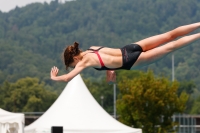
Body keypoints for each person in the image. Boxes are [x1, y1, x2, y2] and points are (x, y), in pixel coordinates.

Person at [50, 22, 200, 82]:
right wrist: (110, 70)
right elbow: (106, 60)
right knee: (170, 35)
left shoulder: (83, 62)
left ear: (75, 58)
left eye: (73, 64)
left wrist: (54, 78)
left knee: (171, 46)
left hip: (131, 61)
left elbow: (67, 79)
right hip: (129, 48)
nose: (75, 66)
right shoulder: (93, 49)